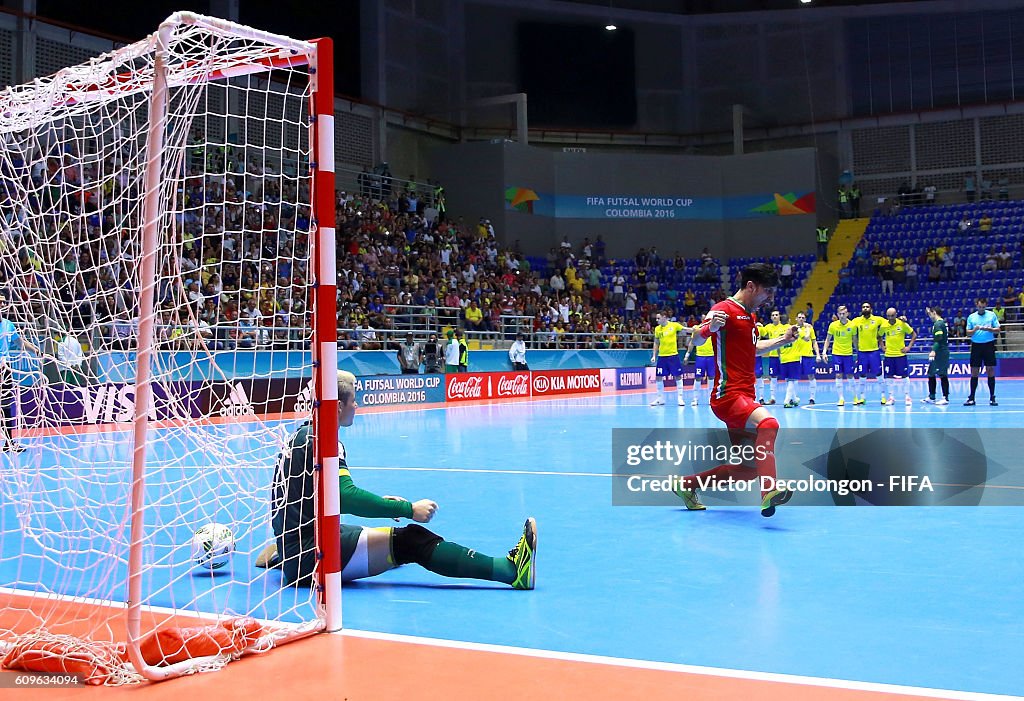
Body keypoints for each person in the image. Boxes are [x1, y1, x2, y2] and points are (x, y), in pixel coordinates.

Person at [258, 370, 536, 590]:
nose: (357, 405)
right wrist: (407, 509)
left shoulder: (300, 435)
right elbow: (344, 496)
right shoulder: (324, 440)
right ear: (339, 405)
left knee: (360, 533)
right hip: (312, 559)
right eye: (353, 400)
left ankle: (282, 555)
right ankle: (510, 571)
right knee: (412, 541)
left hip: (295, 544)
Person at [673, 263, 798, 518]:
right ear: (751, 286)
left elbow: (754, 349)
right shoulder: (722, 310)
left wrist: (783, 340)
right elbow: (695, 339)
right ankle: (769, 492)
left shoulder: (750, 317)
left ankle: (686, 485)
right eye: (767, 291)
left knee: (748, 468)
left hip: (743, 398)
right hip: (728, 395)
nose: (769, 298)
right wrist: (709, 329)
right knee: (769, 424)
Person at [0, 297, 42, 452]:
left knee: (5, 406)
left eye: (4, 302)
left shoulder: (8, 325)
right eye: (0, 302)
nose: (2, 305)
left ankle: (9, 442)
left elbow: (20, 342)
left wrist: (36, 350)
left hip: (5, 368)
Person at [964, 297, 999, 406]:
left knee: (990, 370)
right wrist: (974, 330)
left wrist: (989, 329)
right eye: (980, 307)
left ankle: (992, 397)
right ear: (976, 305)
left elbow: (998, 329)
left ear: (986, 306)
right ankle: (972, 398)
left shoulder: (992, 315)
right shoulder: (971, 317)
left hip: (989, 345)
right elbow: (968, 333)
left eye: (983, 307)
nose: (981, 309)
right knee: (975, 371)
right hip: (976, 346)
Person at [878, 308, 916, 406]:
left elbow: (914, 335)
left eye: (892, 316)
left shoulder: (902, 324)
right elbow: (879, 336)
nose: (890, 318)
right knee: (889, 376)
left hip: (901, 355)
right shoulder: (884, 325)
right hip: (889, 355)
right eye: (888, 316)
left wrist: (909, 347)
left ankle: (907, 397)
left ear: (896, 315)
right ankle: (891, 397)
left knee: (904, 376)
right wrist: (882, 346)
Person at [850, 302, 886, 405]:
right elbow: (846, 324)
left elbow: (890, 323)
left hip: (874, 351)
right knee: (862, 375)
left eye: (867, 307)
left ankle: (883, 397)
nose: (865, 308)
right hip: (862, 353)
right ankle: (862, 397)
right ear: (861, 309)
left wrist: (901, 319)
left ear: (871, 309)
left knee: (879, 374)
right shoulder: (856, 321)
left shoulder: (878, 319)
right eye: (863, 307)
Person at [650, 311, 688, 406]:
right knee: (658, 377)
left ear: (664, 317)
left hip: (673, 356)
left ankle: (680, 398)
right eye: (656, 318)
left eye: (658, 318)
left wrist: (696, 329)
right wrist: (654, 355)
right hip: (662, 356)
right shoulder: (657, 329)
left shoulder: (674, 325)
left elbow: (686, 329)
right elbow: (656, 342)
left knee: (678, 376)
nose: (657, 320)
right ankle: (660, 398)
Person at [822, 305, 857, 406]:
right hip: (837, 354)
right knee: (838, 375)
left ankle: (855, 397)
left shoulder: (852, 325)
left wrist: (858, 353)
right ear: (837, 314)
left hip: (848, 354)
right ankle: (841, 398)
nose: (842, 316)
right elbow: (828, 339)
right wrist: (824, 352)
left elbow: (855, 340)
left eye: (844, 314)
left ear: (847, 314)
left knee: (850, 375)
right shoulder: (833, 325)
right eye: (840, 314)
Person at [922, 306, 950, 405]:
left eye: (930, 314)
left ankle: (945, 397)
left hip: (941, 352)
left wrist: (933, 350)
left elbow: (938, 338)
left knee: (942, 374)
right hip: (940, 352)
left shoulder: (938, 324)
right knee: (931, 373)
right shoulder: (941, 323)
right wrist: (928, 311)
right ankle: (932, 396)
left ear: (934, 312)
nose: (929, 316)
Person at [685, 321, 715, 407]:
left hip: (711, 356)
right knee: (698, 377)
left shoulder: (713, 328)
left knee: (711, 377)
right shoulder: (697, 328)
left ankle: (711, 398)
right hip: (700, 357)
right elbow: (692, 342)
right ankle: (695, 398)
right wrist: (687, 355)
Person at [758, 310, 784, 404]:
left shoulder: (784, 327)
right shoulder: (768, 327)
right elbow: (762, 332)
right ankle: (773, 397)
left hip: (784, 356)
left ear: (779, 316)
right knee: (773, 376)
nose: (775, 316)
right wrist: (759, 325)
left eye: (776, 315)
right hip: (773, 355)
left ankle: (792, 397)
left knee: (789, 377)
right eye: (773, 315)